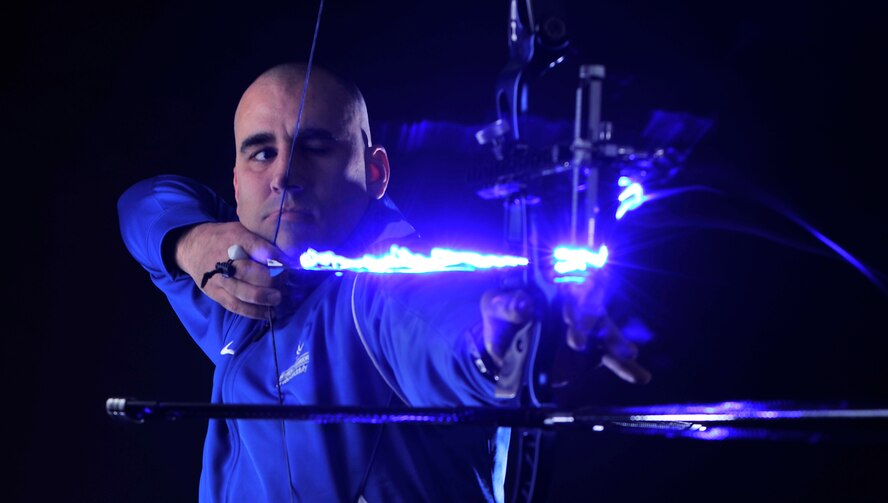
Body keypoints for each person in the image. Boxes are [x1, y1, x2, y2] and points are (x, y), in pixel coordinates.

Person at [118, 61, 650, 502]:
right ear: (236, 184)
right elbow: (140, 203)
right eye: (262, 152)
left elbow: (439, 332)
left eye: (317, 146)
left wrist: (505, 351)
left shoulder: (379, 290)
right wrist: (188, 241)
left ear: (375, 173)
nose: (284, 174)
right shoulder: (236, 289)